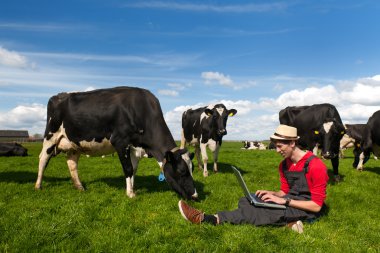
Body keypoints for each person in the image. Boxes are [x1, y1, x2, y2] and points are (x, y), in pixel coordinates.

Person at [178, 124, 329, 233]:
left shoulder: (316, 165)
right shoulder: (284, 165)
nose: (277, 151)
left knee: (260, 211)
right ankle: (289, 224)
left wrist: (285, 201)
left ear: (292, 143)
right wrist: (271, 194)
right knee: (248, 199)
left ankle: (209, 219)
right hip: (288, 201)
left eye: (280, 146)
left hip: (307, 208)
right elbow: (284, 191)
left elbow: (316, 206)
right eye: (275, 146)